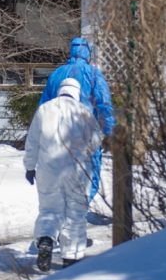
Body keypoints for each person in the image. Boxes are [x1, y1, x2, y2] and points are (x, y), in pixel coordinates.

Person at [24, 77, 102, 271]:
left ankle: (45, 239)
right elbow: (96, 141)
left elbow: (32, 142)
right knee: (75, 213)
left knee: (49, 210)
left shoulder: (44, 109)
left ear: (60, 90)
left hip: (48, 169)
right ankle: (71, 257)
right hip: (76, 169)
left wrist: (30, 167)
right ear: (76, 92)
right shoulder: (84, 112)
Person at [39, 36, 115, 200]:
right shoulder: (93, 74)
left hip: (58, 132)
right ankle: (81, 205)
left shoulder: (56, 74)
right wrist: (110, 131)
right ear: (87, 53)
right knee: (88, 172)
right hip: (86, 132)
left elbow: (44, 106)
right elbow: (104, 104)